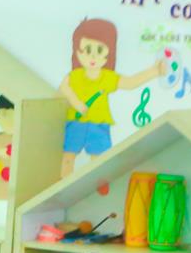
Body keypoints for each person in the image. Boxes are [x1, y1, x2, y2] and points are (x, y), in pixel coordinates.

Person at [59, 16, 165, 179]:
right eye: (87, 50)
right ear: (77, 51)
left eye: (99, 51)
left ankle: (99, 182)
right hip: (76, 121)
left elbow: (130, 82)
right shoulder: (75, 75)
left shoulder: (108, 78)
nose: (93, 57)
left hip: (99, 123)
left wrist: (154, 71)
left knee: (99, 158)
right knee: (68, 156)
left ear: (109, 53)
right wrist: (76, 102)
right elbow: (64, 88)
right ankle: (62, 182)